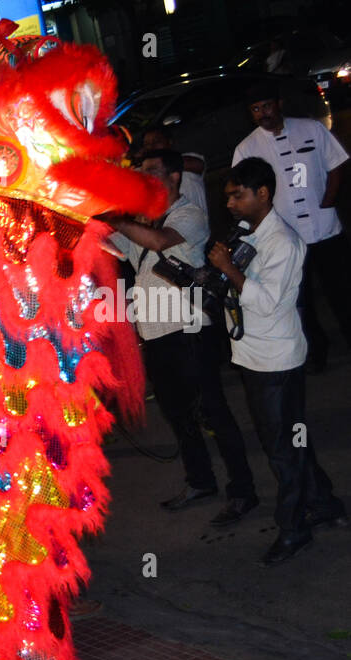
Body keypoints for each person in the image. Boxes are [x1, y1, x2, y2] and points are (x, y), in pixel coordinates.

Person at [103, 149, 258, 525]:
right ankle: (200, 480)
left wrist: (117, 221)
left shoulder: (189, 214)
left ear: (174, 177)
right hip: (155, 329)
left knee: (213, 412)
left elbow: (159, 243)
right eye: (141, 170)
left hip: (189, 329)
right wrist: (91, 228)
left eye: (153, 170)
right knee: (179, 415)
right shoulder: (143, 218)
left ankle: (243, 491)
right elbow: (115, 248)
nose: (145, 175)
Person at [209, 158, 348, 566]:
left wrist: (228, 268)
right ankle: (324, 503)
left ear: (263, 193)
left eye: (238, 195)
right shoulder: (251, 233)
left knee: (281, 449)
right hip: (257, 355)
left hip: (275, 361)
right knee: (290, 439)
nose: (231, 203)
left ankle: (293, 530)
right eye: (228, 196)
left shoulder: (283, 242)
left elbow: (268, 302)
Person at [233, 82, 351, 372]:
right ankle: (315, 354)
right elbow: (239, 195)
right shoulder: (247, 148)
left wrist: (329, 198)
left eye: (267, 106)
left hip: (326, 230)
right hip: (286, 240)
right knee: (300, 301)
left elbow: (337, 162)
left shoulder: (311, 129)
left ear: (279, 104)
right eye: (256, 109)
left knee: (343, 292)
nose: (263, 113)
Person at [140, 128, 207, 213]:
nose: (151, 146)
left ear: (170, 141)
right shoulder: (149, 173)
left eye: (157, 141)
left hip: (192, 220)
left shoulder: (190, 158)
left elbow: (197, 164)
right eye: (147, 144)